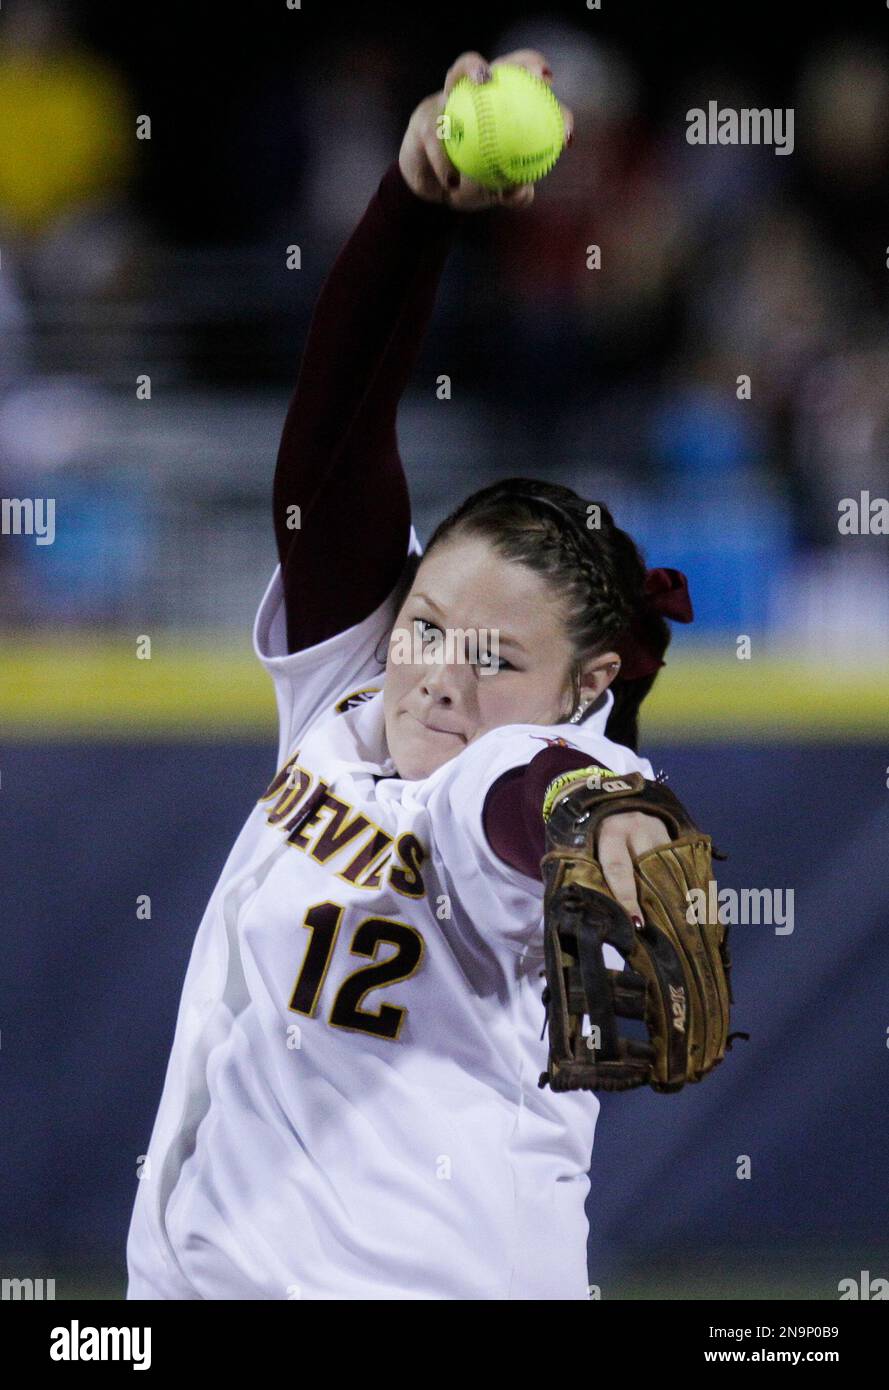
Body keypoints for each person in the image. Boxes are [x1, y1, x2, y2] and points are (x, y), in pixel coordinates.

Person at [126, 48, 693, 1302]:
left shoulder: (555, 756)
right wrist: (412, 201)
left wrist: (603, 843)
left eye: (494, 654)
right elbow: (326, 450)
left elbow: (532, 809)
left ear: (582, 679)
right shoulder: (349, 699)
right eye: (428, 622)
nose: (439, 672)